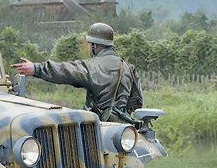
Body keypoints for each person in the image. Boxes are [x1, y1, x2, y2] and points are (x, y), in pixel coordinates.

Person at [10, 22, 142, 123]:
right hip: (125, 131)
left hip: (102, 128)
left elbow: (67, 70)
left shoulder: (93, 66)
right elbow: (137, 101)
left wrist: (36, 68)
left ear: (94, 45)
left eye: (89, 44)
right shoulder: (128, 67)